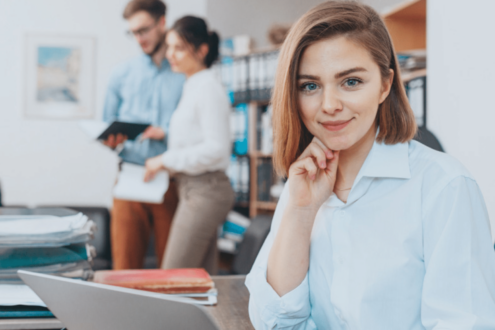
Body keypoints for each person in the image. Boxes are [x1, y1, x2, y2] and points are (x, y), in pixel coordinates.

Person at [246, 1, 495, 329]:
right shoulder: (302, 184)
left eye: (351, 82)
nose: (329, 105)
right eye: (310, 86)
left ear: (385, 84)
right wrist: (301, 210)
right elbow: (272, 322)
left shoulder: (444, 187)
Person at [144, 16, 234, 275]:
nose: (170, 54)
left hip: (206, 190)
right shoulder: (193, 84)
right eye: (169, 47)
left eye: (179, 48)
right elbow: (196, 135)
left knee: (171, 277)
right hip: (192, 188)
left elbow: (216, 148)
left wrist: (164, 160)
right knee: (200, 281)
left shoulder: (208, 87)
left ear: (202, 50)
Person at [103, 0, 185, 270]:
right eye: (133, 33)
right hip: (130, 178)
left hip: (170, 181)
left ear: (162, 22)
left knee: (172, 270)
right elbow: (107, 125)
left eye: (144, 30)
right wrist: (110, 139)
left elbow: (196, 130)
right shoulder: (121, 74)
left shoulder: (185, 74)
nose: (139, 38)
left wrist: (166, 132)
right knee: (124, 270)